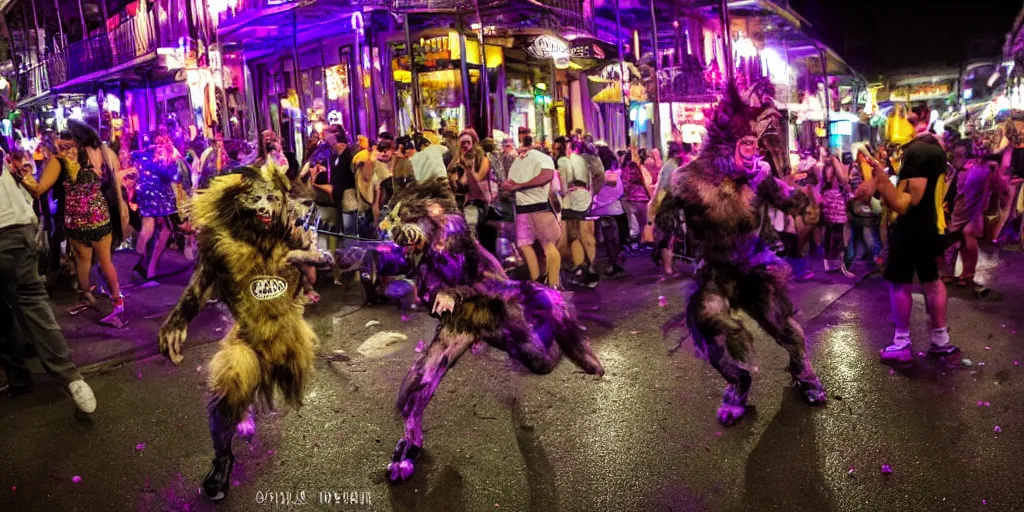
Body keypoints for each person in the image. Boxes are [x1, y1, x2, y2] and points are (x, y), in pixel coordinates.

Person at [657, 83, 826, 425]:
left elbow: (789, 199)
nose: (752, 151)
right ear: (724, 144)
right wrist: (668, 222)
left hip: (754, 267)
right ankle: (738, 381)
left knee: (787, 330)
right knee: (708, 322)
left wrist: (806, 197)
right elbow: (664, 216)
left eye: (754, 144)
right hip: (716, 273)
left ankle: (802, 370)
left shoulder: (757, 177)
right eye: (746, 143)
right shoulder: (688, 178)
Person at [857, 104, 959, 362]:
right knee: (932, 282)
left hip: (911, 231)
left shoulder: (919, 152)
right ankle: (940, 341)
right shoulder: (932, 152)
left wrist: (879, 180)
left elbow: (903, 204)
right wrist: (882, 177)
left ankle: (902, 343)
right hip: (931, 229)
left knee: (900, 283)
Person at [0, 149, 96, 413]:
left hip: (10, 228)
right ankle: (71, 378)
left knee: (8, 310)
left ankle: (20, 380)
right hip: (18, 228)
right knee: (32, 303)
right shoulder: (4, 154)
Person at [26, 120, 128, 318]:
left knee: (83, 260)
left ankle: (86, 295)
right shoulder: (101, 152)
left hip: (76, 220)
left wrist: (22, 176)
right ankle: (117, 301)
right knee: (106, 261)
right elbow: (114, 180)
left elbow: (39, 190)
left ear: (71, 138)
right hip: (100, 217)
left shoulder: (61, 160)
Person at [504, 135, 561, 288]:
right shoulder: (537, 158)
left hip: (529, 208)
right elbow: (547, 176)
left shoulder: (521, 161)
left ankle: (543, 281)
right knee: (545, 244)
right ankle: (547, 282)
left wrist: (517, 186)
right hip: (536, 207)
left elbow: (545, 177)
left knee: (526, 244)